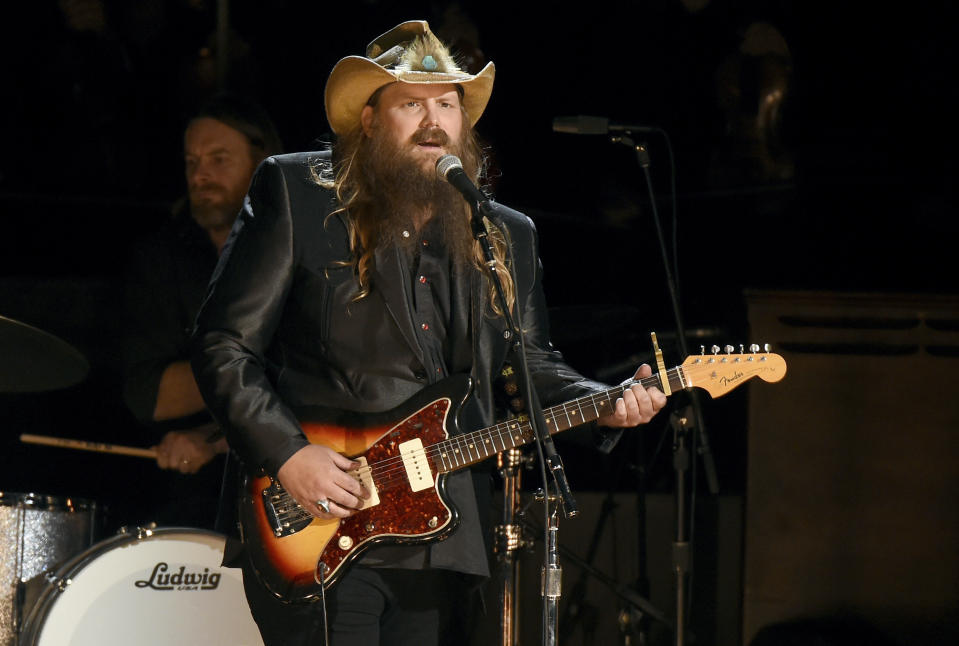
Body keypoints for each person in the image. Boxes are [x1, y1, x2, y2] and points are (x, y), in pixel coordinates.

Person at [190, 20, 667, 645]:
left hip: (446, 530)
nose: (434, 120)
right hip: (321, 519)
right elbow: (224, 343)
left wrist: (602, 404)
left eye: (447, 103)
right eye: (411, 104)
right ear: (369, 121)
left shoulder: (502, 233)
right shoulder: (299, 192)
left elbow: (528, 362)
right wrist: (288, 455)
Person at [121, 93, 282, 529]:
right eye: (192, 162)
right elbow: (147, 394)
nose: (200, 174)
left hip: (295, 477)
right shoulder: (162, 258)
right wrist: (257, 366)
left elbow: (313, 384)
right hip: (192, 491)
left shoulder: (300, 249)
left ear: (262, 163)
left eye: (218, 159)